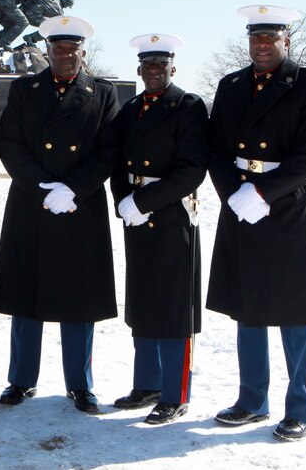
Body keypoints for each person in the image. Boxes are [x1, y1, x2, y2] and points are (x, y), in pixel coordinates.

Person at [206, 5, 306, 441]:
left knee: (296, 311)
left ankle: (300, 407)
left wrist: (263, 192)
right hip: (242, 204)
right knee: (248, 307)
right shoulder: (231, 85)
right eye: (256, 39)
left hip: (287, 207)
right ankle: (251, 400)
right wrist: (235, 194)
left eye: (271, 39)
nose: (262, 46)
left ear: (287, 41)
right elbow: (215, 148)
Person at [0, 15, 120, 414]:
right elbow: (9, 143)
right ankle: (21, 380)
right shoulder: (26, 90)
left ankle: (80, 384)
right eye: (58, 49)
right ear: (47, 51)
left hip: (80, 205)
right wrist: (43, 188)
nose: (66, 55)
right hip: (34, 202)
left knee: (79, 298)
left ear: (83, 51)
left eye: (72, 49)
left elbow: (110, 150)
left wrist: (73, 188)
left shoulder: (102, 92)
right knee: (26, 296)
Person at [109, 33, 209, 425]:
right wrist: (123, 201)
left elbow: (191, 170)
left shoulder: (188, 107)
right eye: (148, 65)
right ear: (139, 69)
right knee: (143, 299)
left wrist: (144, 202)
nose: (154, 71)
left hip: (170, 215)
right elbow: (117, 160)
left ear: (172, 68)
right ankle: (146, 383)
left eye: (161, 65)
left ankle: (175, 392)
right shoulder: (130, 108)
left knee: (173, 305)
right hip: (135, 211)